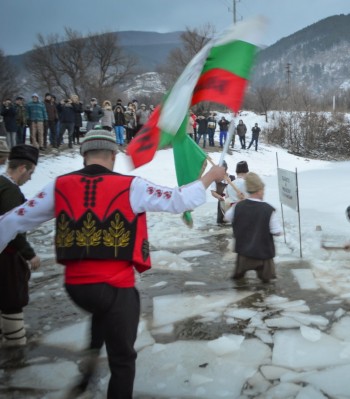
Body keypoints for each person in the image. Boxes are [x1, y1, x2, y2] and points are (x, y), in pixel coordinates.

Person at [0, 130, 225, 397]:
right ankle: (98, 369)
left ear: (84, 156)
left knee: (100, 312)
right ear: (113, 155)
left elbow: (11, 221)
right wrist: (211, 176)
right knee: (123, 359)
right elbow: (178, 200)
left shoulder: (57, 185)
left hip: (77, 288)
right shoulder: (133, 186)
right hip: (116, 287)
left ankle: (89, 366)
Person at [0, 145, 41, 347]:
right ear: (23, 168)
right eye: (31, 172)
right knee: (12, 297)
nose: (30, 178)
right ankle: (15, 346)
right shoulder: (10, 190)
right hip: (6, 254)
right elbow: (12, 227)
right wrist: (29, 254)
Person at [224, 172, 282, 283]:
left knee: (239, 281)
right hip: (264, 256)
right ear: (260, 190)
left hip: (243, 254)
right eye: (263, 190)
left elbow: (227, 217)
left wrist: (240, 202)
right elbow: (277, 231)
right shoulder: (268, 209)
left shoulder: (238, 206)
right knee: (268, 285)